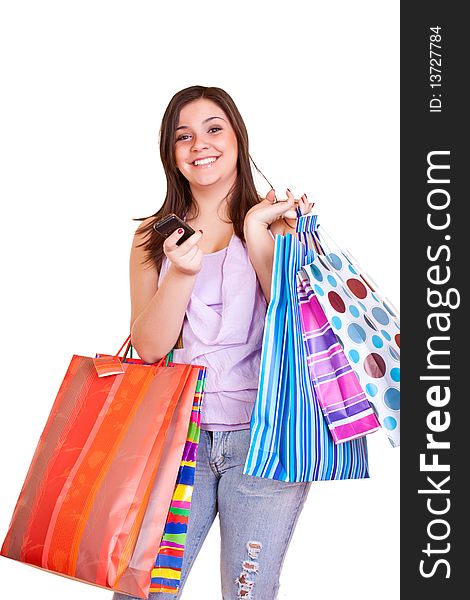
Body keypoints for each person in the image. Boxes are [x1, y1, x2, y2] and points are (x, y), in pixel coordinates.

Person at [113, 85, 314, 600]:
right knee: (142, 590)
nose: (199, 144)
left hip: (267, 441)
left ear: (238, 139)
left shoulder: (278, 220)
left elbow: (297, 331)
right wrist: (180, 272)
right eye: (183, 136)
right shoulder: (152, 238)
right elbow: (151, 347)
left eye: (213, 129)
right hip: (180, 441)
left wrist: (258, 232)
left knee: (247, 592)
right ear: (171, 153)